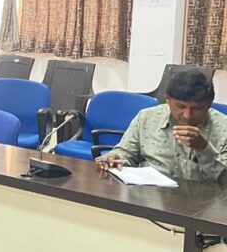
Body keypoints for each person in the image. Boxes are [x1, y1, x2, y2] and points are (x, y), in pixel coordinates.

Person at [97, 69, 227, 184]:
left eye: (197, 108)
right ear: (167, 99)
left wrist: (203, 148)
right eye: (181, 106)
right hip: (149, 196)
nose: (187, 115)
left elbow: (224, 180)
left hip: (202, 200)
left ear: (209, 104)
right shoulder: (147, 118)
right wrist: (116, 157)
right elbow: (127, 152)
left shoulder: (223, 128)